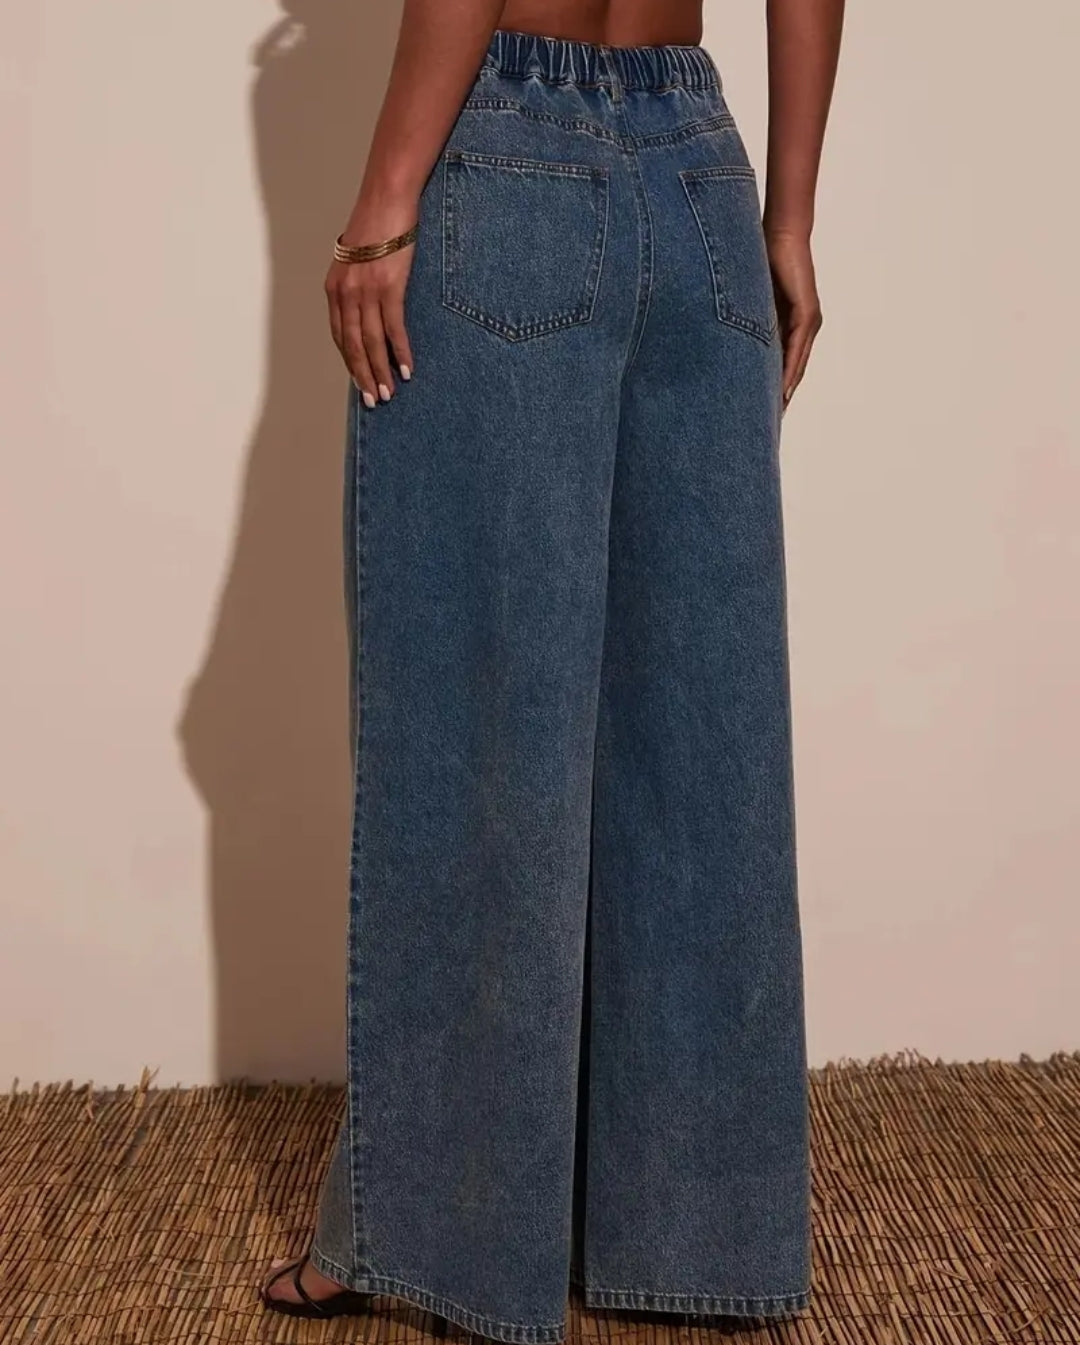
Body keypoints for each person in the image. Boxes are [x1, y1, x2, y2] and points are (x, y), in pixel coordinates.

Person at [260, 0, 843, 1339]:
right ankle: (695, 1238)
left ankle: (438, 1241)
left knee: (477, 722)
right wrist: (790, 218)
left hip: (509, 164)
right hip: (701, 172)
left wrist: (386, 201)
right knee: (698, 743)